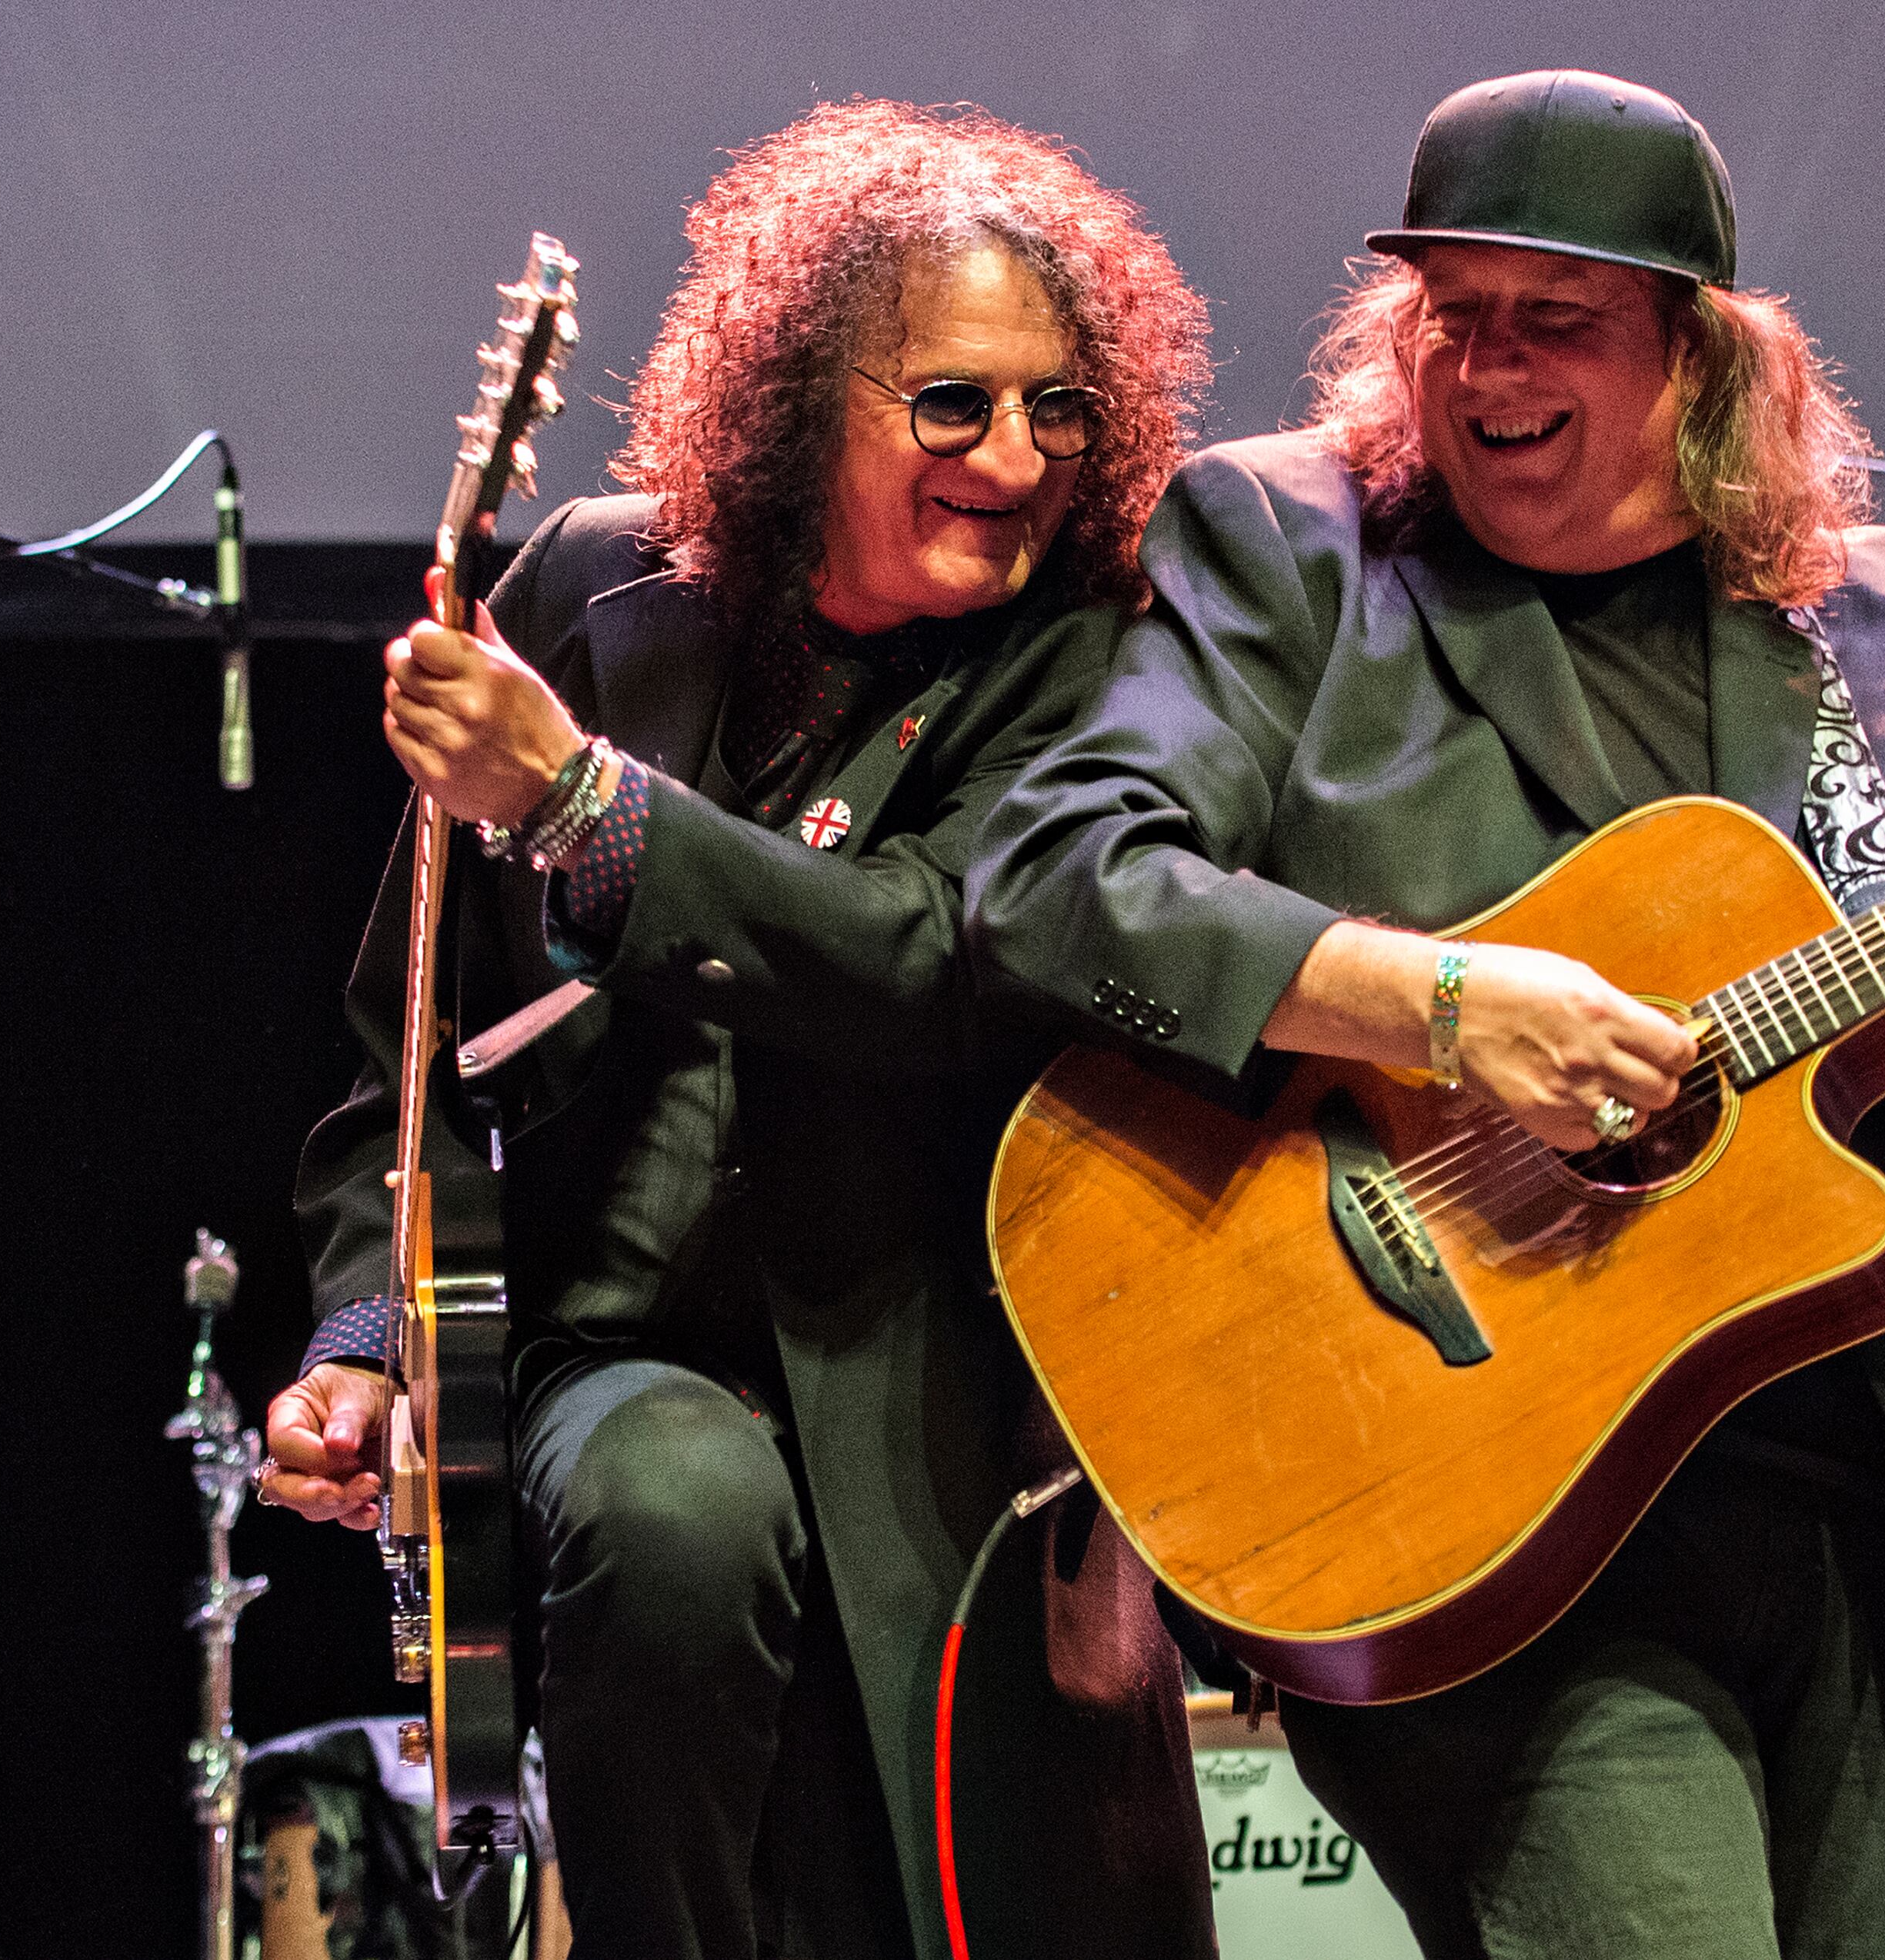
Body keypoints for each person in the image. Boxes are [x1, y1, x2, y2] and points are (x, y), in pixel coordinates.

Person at [966, 69, 1885, 1960]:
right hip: (1475, 1501)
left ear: (1704, 359)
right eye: (1453, 315)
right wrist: (1438, 1001)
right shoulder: (1292, 555)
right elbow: (1055, 876)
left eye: (1557, 320)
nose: (1489, 368)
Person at [259, 100, 1216, 1958]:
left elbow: (926, 952)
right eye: (952, 403)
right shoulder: (599, 594)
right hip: (623, 1361)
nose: (1014, 460)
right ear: (804, 398)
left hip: (951, 1383)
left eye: (1058, 411)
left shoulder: (1096, 658)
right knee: (675, 1510)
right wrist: (378, 1338)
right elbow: (411, 1045)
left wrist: (580, 807)